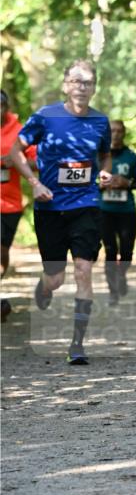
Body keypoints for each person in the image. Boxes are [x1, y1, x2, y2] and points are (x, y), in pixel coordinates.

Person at [9, 60, 112, 364]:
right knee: (56, 279)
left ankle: (77, 344)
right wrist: (34, 182)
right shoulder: (45, 117)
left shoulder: (100, 121)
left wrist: (104, 173)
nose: (82, 87)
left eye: (88, 82)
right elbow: (15, 150)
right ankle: (45, 285)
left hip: (86, 205)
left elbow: (105, 155)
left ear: (94, 88)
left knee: (84, 271)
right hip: (50, 207)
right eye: (77, 81)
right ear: (66, 85)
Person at [1, 90, 37, 321]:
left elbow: (37, 161)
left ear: (7, 106)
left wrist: (14, 160)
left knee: (2, 251)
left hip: (10, 204)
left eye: (0, 105)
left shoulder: (19, 131)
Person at [99, 120, 136, 305]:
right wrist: (100, 185)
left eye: (119, 131)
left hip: (126, 211)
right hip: (105, 211)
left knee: (126, 253)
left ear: (124, 133)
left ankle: (122, 275)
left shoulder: (132, 157)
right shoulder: (99, 156)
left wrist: (127, 183)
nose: (116, 134)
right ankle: (112, 291)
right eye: (112, 131)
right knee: (110, 251)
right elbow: (87, 181)